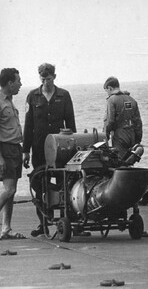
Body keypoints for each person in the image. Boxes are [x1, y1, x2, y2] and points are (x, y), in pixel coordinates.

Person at [23, 63, 77, 237]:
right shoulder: (32, 96)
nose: (45, 81)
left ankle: (67, 222)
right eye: (42, 78)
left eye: (48, 78)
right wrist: (25, 151)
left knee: (66, 185)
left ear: (55, 77)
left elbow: (71, 124)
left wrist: (74, 148)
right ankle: (43, 224)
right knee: (40, 187)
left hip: (60, 149)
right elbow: (28, 125)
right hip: (39, 150)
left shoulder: (64, 95)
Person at [103, 77, 148, 205]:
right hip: (131, 134)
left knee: (120, 166)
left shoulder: (112, 100)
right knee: (127, 165)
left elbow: (110, 121)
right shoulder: (131, 100)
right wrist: (137, 139)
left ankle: (144, 191)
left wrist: (105, 135)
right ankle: (144, 191)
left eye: (106, 91)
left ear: (109, 88)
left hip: (119, 135)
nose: (107, 93)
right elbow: (138, 122)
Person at [0, 68, 26, 240]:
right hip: (5, 150)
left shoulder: (10, 101)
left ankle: (6, 228)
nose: (20, 84)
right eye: (18, 81)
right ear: (10, 83)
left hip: (15, 149)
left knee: (12, 190)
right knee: (9, 190)